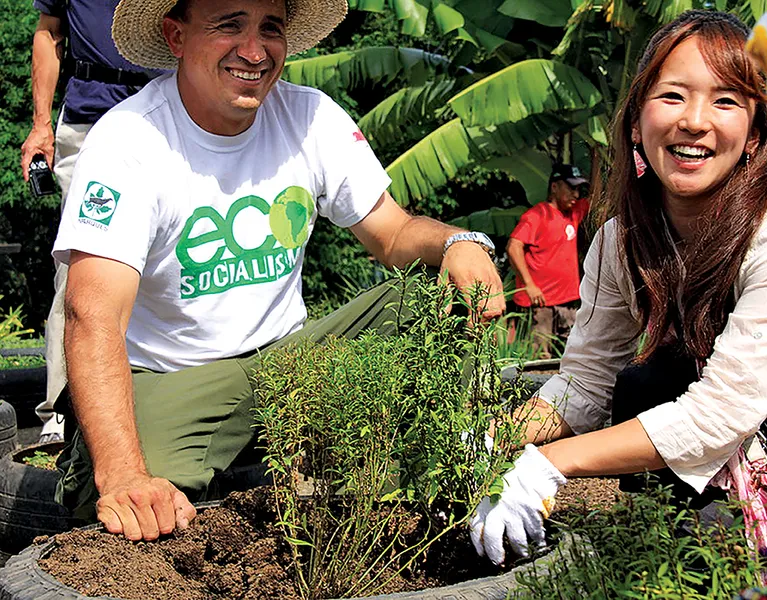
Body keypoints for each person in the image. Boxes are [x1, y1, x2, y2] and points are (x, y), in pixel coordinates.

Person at [51, 0, 504, 542]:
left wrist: (459, 241)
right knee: (122, 507)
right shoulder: (129, 140)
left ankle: (427, 482)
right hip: (174, 381)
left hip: (289, 366)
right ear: (176, 35)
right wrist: (122, 472)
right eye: (229, 25)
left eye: (271, 27)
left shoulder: (310, 116)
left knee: (437, 289)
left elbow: (396, 234)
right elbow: (92, 312)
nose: (253, 50)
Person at [470, 9, 767, 577]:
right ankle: (669, 563)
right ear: (634, 122)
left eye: (726, 102)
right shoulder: (622, 240)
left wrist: (548, 464)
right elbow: (585, 379)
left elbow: (721, 412)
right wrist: (483, 452)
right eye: (672, 96)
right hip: (732, 443)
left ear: (754, 134)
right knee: (645, 383)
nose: (695, 121)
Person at [19, 0, 165, 443]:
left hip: (168, 115)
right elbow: (48, 32)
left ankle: (156, 406)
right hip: (88, 118)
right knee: (79, 271)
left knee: (168, 267)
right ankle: (59, 416)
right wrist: (41, 125)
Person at [505, 164, 589, 357]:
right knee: (539, 360)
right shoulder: (537, 216)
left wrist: (597, 153)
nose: (576, 194)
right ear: (554, 187)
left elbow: (601, 196)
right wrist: (529, 285)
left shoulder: (573, 213)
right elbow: (513, 246)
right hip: (541, 305)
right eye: (571, 188)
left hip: (568, 303)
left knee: (572, 358)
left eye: (578, 189)